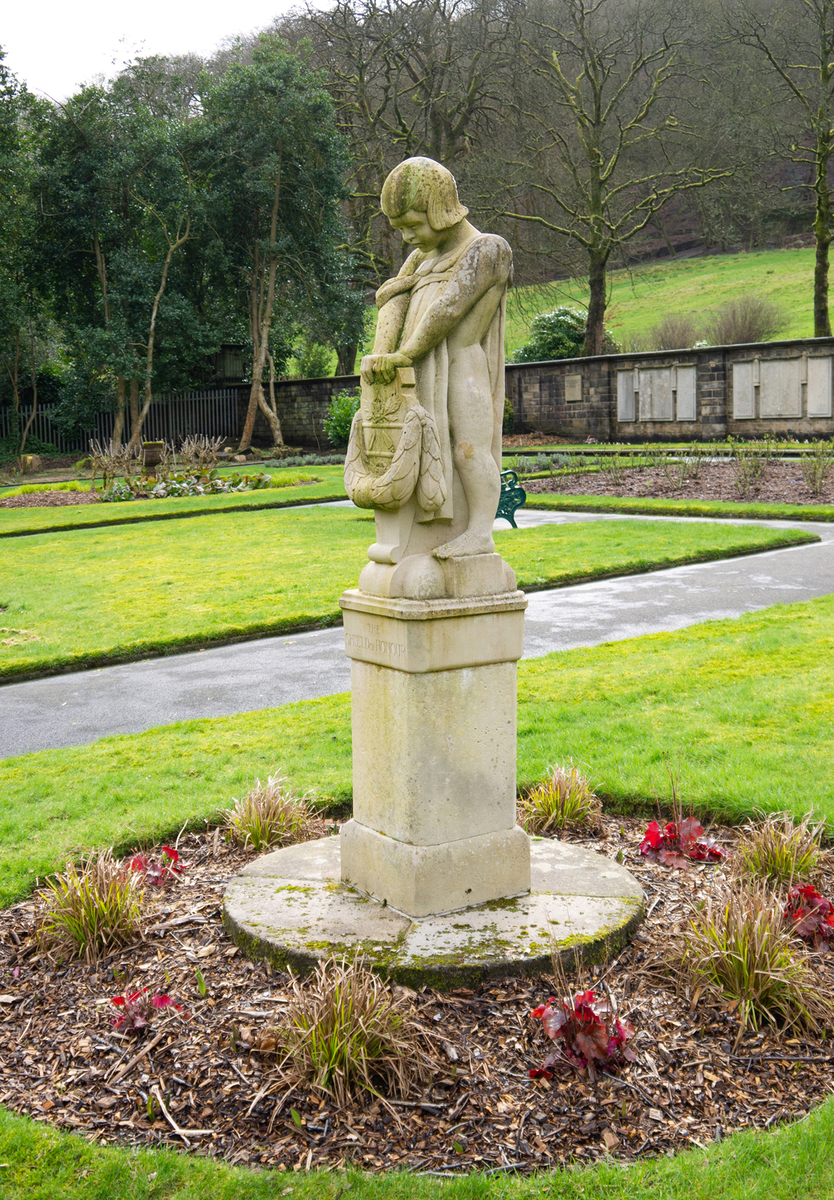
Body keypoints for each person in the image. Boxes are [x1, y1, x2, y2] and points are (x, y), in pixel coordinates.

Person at [361, 157, 512, 558]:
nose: (408, 236)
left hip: (462, 367)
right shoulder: (419, 257)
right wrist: (381, 353)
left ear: (440, 208)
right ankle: (422, 539)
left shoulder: (488, 249)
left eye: (413, 223)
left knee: (468, 448)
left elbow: (447, 309)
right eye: (400, 229)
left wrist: (403, 354)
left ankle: (480, 533)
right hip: (417, 371)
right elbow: (392, 301)